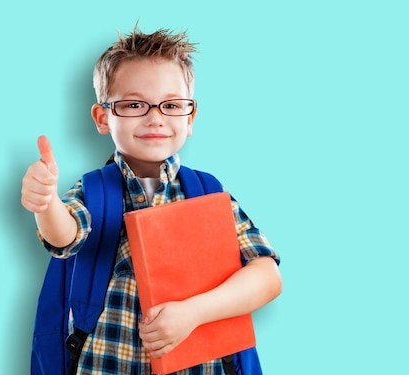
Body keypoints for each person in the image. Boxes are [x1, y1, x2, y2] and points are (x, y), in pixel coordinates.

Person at [21, 25, 282, 375]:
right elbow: (64, 236)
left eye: (171, 105)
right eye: (133, 104)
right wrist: (46, 203)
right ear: (103, 117)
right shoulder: (94, 191)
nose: (155, 117)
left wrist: (194, 313)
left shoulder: (209, 192)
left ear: (190, 118)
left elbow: (266, 275)